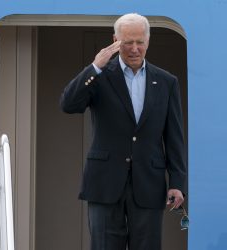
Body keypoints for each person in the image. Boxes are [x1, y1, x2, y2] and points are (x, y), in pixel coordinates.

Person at [60, 13, 187, 250]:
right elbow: (68, 105)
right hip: (105, 183)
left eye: (140, 42)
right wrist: (95, 66)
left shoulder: (167, 82)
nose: (135, 49)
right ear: (115, 40)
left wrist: (177, 182)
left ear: (148, 41)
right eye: (128, 42)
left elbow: (174, 137)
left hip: (149, 183)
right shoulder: (99, 76)